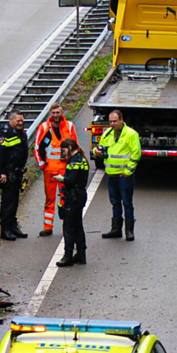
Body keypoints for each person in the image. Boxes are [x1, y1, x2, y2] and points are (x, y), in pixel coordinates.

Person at [92, 109, 141, 241]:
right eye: (110, 121)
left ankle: (129, 231)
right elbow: (100, 148)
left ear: (121, 120)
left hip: (124, 175)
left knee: (127, 202)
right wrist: (96, 151)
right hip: (111, 174)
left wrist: (127, 172)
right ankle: (116, 229)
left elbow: (136, 154)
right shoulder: (107, 133)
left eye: (115, 121)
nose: (112, 124)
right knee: (115, 202)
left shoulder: (131, 134)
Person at [34, 103, 77, 236]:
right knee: (50, 199)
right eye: (53, 113)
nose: (56, 115)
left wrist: (73, 166)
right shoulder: (44, 127)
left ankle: (66, 225)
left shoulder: (69, 126)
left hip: (65, 168)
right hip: (50, 169)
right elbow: (37, 148)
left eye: (58, 112)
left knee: (66, 197)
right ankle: (48, 226)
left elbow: (75, 147)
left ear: (62, 112)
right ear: (50, 114)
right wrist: (42, 165)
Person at [53, 138, 89, 267]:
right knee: (78, 225)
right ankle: (81, 254)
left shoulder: (74, 161)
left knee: (68, 227)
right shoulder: (81, 159)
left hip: (74, 196)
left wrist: (61, 179)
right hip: (80, 195)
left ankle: (68, 256)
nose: (63, 153)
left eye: (64, 150)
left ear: (69, 147)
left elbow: (71, 180)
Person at [0, 110, 29, 240]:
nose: (20, 123)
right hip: (8, 173)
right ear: (11, 120)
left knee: (14, 201)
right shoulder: (4, 134)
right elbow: (0, 155)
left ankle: (13, 226)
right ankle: (5, 229)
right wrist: (2, 172)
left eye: (22, 121)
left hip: (17, 172)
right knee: (7, 202)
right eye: (18, 121)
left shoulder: (21, 132)